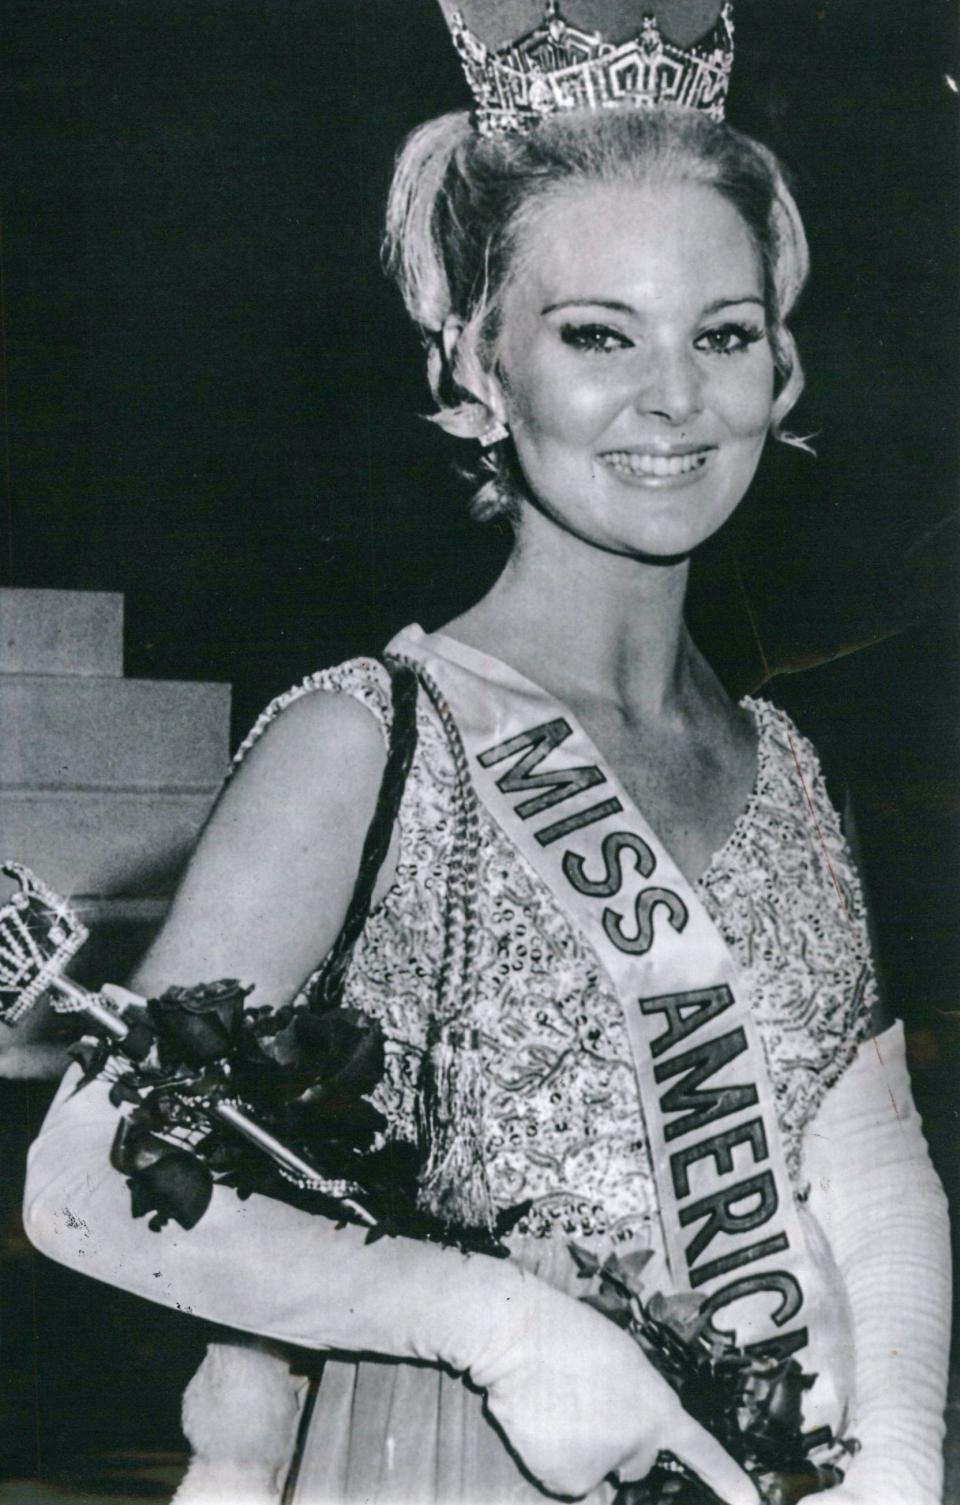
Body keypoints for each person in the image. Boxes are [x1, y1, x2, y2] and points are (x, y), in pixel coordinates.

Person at [22, 4, 950, 1503]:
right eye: (598, 334)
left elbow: (870, 1167)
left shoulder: (784, 760)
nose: (671, 397)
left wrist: (898, 1459)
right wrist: (505, 1329)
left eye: (721, 334)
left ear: (780, 371)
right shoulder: (368, 738)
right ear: (476, 365)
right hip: (458, 1459)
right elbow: (83, 1185)